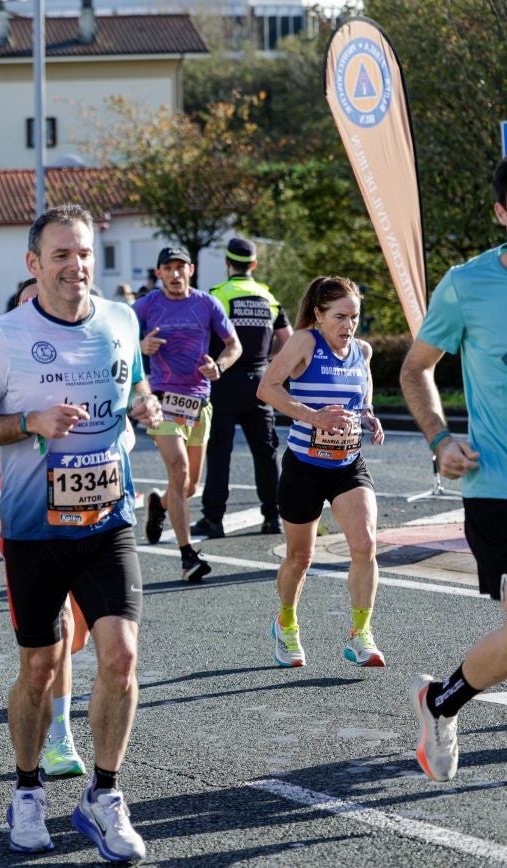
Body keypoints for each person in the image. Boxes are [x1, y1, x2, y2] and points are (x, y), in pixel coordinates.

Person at [0, 204, 162, 860]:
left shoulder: (122, 322)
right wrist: (28, 424)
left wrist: (145, 406)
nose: (76, 266)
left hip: (107, 520)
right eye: (62, 255)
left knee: (121, 657)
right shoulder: (5, 336)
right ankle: (26, 791)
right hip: (32, 529)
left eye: (84, 254)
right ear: (34, 264)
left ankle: (105, 796)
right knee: (41, 669)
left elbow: (132, 392)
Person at [401, 158, 507, 782]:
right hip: (496, 486)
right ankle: (440, 703)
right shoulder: (466, 285)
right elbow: (415, 368)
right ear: (501, 213)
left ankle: (442, 700)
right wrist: (440, 438)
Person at [258, 276, 384, 670]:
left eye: (355, 316)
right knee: (299, 558)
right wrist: (314, 416)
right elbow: (268, 388)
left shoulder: (361, 351)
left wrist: (369, 417)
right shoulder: (304, 342)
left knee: (365, 545)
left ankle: (361, 635)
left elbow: (362, 399)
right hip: (304, 468)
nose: (349, 325)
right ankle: (287, 624)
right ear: (319, 314)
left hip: (347, 465)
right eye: (340, 317)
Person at [133, 246, 241, 583]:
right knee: (178, 471)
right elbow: (115, 340)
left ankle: (160, 506)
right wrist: (140, 347)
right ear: (159, 273)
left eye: (181, 268)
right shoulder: (148, 305)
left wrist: (218, 365)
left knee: (190, 485)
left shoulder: (207, 304)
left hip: (198, 401)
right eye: (168, 268)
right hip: (163, 398)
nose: (175, 274)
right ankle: (188, 555)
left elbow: (233, 345)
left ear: (190, 270)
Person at [193, 237, 291, 539]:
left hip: (224, 382)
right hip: (261, 382)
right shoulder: (268, 297)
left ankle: (214, 519)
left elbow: (202, 337)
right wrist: (268, 363)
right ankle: (272, 517)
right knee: (266, 451)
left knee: (219, 451)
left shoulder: (218, 295)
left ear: (226, 263)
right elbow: (286, 340)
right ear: (254, 265)